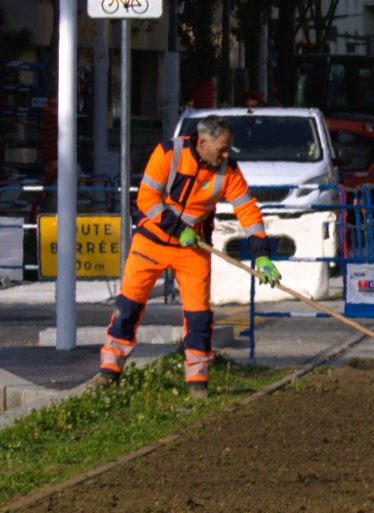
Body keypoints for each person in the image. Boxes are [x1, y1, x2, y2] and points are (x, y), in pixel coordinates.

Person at [99, 115, 278, 397]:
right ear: (203, 142)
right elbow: (146, 199)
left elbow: (248, 211)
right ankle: (109, 372)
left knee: (198, 317)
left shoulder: (228, 170)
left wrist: (263, 256)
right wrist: (177, 229)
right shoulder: (168, 154)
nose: (225, 154)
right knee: (128, 306)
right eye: (222, 148)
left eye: (228, 148)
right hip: (152, 242)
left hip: (194, 249)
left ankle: (197, 382)